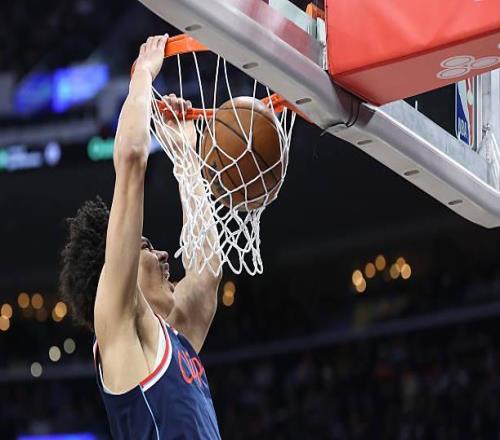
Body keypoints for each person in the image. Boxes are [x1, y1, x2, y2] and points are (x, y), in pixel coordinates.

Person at [59, 34, 222, 439]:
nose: (165, 255)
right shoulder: (116, 323)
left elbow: (206, 275)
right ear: (118, 267)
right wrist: (143, 76)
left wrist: (186, 157)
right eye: (145, 247)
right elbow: (132, 158)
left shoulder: (171, 338)